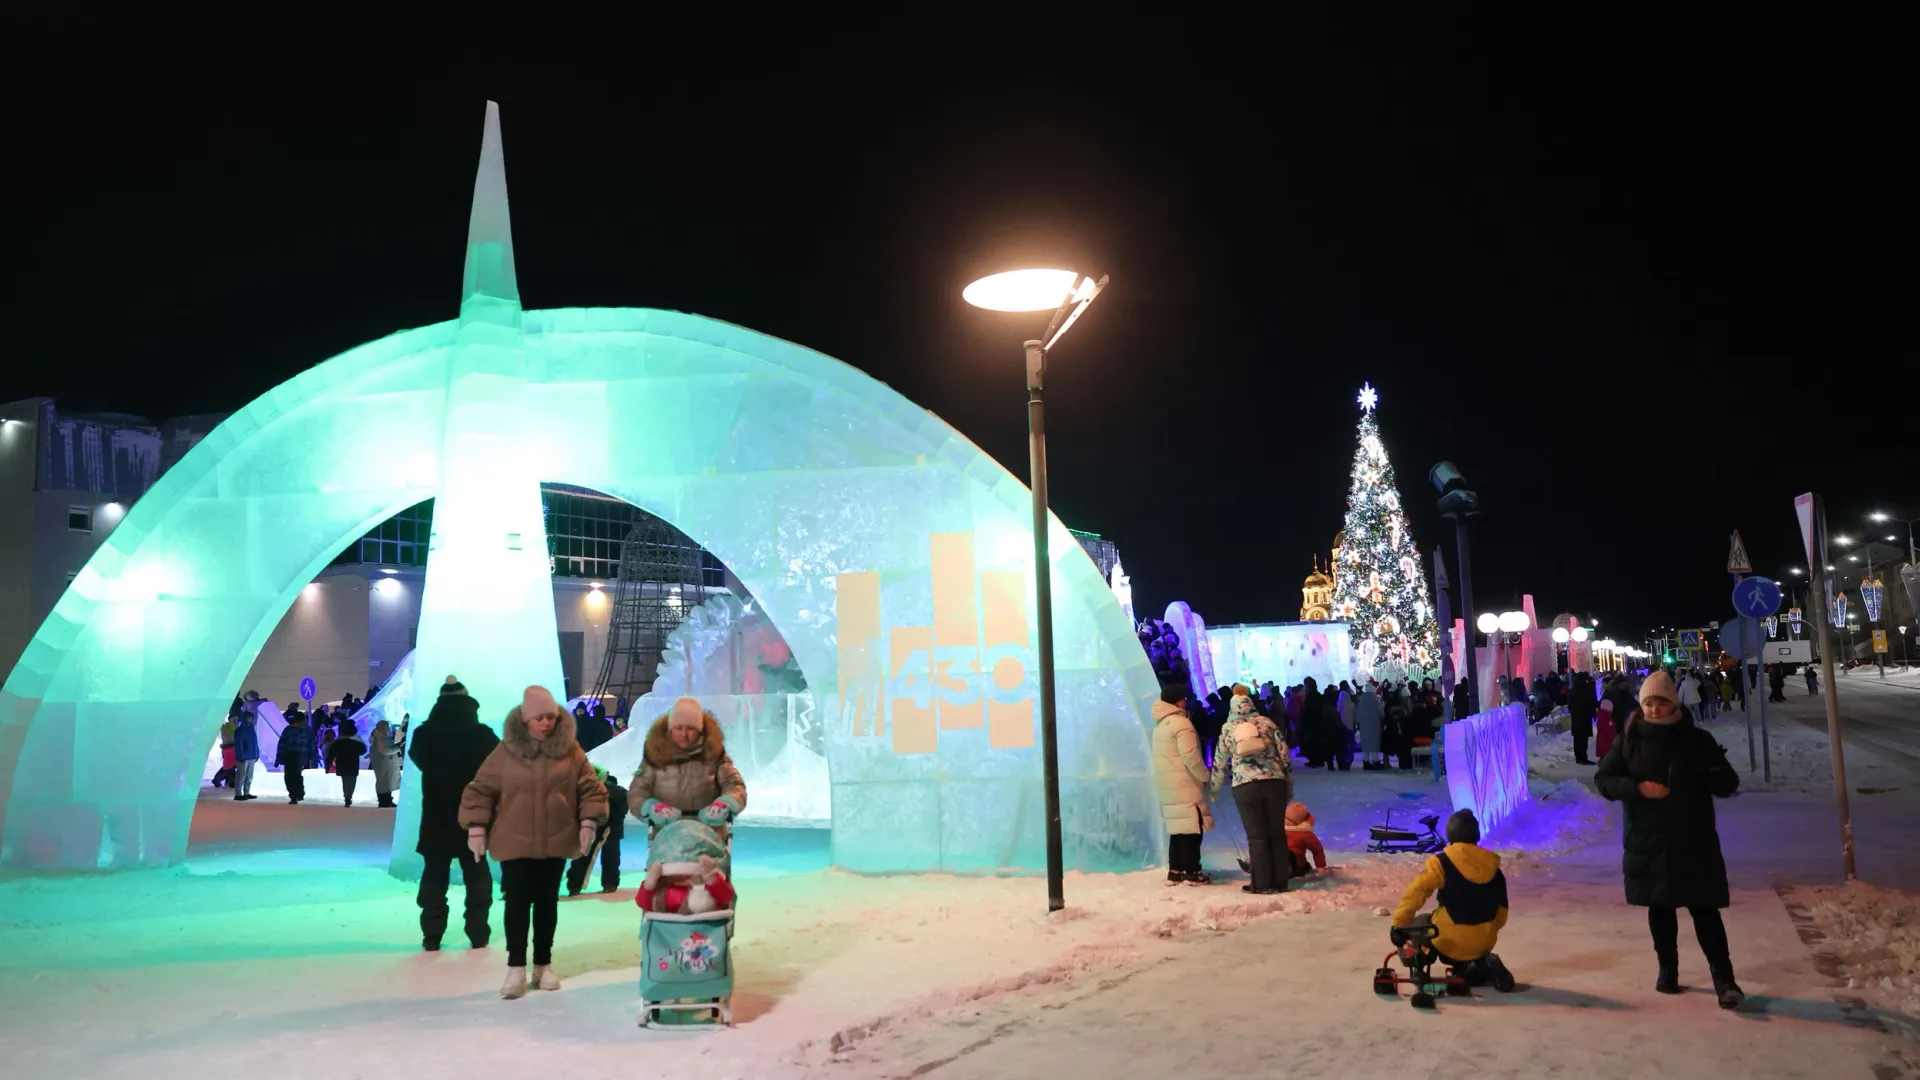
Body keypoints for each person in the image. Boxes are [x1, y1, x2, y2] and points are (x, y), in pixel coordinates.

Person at [1593, 670, 1744, 1008]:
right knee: (1660, 910)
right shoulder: (1630, 739)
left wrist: (1713, 769)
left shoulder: (1697, 740)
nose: (1655, 709)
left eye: (1661, 702)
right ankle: (1668, 970)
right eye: (1648, 702)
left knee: (1705, 911)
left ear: (1674, 703)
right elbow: (1604, 780)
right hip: (1648, 841)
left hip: (1693, 840)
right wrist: (1637, 788)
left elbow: (1727, 785)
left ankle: (1724, 979)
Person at [461, 685, 608, 1000]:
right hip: (514, 840)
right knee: (516, 903)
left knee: (546, 904)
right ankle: (516, 967)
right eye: (539, 718)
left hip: (555, 840)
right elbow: (481, 789)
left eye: (551, 718)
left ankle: (543, 964)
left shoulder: (571, 752)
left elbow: (590, 788)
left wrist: (588, 821)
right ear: (526, 719)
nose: (546, 724)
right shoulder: (505, 752)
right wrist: (476, 826)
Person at [409, 676, 500, 952]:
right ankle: (478, 932)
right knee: (477, 873)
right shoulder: (483, 735)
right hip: (474, 814)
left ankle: (432, 935)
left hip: (436, 814)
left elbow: (417, 758)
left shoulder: (424, 735)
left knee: (434, 874)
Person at [1391, 809, 1513, 987]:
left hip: (1447, 944)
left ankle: (1420, 965)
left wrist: (1398, 924)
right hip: (1484, 943)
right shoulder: (1494, 869)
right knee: (1465, 931)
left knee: (1420, 923)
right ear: (1476, 835)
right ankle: (1479, 962)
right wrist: (1484, 932)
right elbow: (1502, 912)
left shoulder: (1441, 862)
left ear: (1450, 833)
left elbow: (1416, 892)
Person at [1210, 694, 1292, 894]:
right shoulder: (1266, 723)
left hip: (1245, 786)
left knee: (1257, 836)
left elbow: (1220, 761)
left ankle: (1261, 883)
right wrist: (1288, 781)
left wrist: (1214, 788)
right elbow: (1284, 752)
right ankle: (1280, 881)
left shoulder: (1228, 728)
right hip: (1274, 783)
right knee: (1277, 834)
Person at [629, 697, 748, 832]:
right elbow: (637, 792)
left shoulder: (715, 755)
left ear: (700, 730)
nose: (684, 735)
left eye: (690, 728)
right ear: (670, 729)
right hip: (665, 839)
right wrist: (650, 807)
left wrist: (726, 803)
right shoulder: (654, 756)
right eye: (678, 728)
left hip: (710, 837)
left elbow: (734, 785)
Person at [1150, 679, 1214, 886]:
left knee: (1178, 829)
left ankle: (1175, 869)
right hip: (1185, 783)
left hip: (1168, 784)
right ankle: (1192, 870)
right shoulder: (1182, 724)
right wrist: (1205, 776)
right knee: (1192, 828)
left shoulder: (1160, 727)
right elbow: (1190, 756)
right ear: (1178, 702)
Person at [567, 766, 627, 896]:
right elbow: (622, 813)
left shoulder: (587, 790)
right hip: (613, 829)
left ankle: (574, 886)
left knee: (582, 855)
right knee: (611, 857)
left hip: (590, 826)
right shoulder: (621, 791)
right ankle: (609, 885)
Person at [328, 719, 367, 807]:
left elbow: (332, 752)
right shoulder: (356, 741)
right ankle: (349, 796)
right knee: (352, 780)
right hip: (353, 762)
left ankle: (347, 796)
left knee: (345, 780)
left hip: (342, 762)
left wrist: (329, 762)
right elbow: (362, 751)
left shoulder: (338, 741)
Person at [278, 709, 312, 805]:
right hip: (302, 755)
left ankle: (294, 795)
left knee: (289, 776)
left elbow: (282, 744)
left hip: (290, 755)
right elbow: (312, 744)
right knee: (297, 775)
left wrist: (279, 757)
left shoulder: (289, 729)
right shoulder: (307, 730)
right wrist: (312, 757)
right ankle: (299, 793)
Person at [1283, 801, 1325, 877]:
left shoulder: (1304, 833)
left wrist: (1321, 869)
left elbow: (1317, 851)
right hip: (1294, 865)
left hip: (1292, 865)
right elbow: (1317, 851)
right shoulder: (1304, 833)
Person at [232, 693, 262, 801]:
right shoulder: (241, 730)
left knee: (249, 776)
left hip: (250, 756)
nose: (251, 720)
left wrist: (256, 753)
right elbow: (239, 744)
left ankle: (246, 792)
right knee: (241, 776)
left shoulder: (251, 729)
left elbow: (255, 743)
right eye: (249, 718)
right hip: (244, 757)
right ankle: (238, 793)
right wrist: (241, 755)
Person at [370, 717, 403, 808]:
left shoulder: (379, 737)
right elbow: (385, 750)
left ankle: (387, 800)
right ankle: (384, 801)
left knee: (387, 783)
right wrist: (398, 746)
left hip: (386, 764)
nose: (388, 728)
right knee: (385, 783)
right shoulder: (379, 738)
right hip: (384, 764)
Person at [1567, 672, 1597, 766]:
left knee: (1577, 738)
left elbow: (1570, 705)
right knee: (1583, 739)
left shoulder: (1573, 690)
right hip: (1584, 718)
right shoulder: (1586, 690)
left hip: (1576, 718)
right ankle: (1583, 757)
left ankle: (1579, 757)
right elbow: (1591, 703)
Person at [1355, 682, 1385, 770]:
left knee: (1366, 744)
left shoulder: (1362, 700)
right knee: (1374, 744)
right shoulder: (1375, 699)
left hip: (1364, 725)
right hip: (1374, 725)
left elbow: (1357, 713)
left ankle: (1366, 761)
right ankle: (1376, 761)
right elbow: (1381, 713)